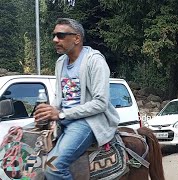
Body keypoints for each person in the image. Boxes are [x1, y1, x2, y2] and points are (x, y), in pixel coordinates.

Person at [34, 18, 120, 179]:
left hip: (87, 123)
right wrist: (49, 113)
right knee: (24, 145)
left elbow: (100, 103)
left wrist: (60, 115)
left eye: (60, 35)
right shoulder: (60, 62)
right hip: (64, 120)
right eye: (54, 35)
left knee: (53, 167)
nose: (55, 40)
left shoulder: (95, 61)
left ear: (77, 38)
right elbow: (60, 97)